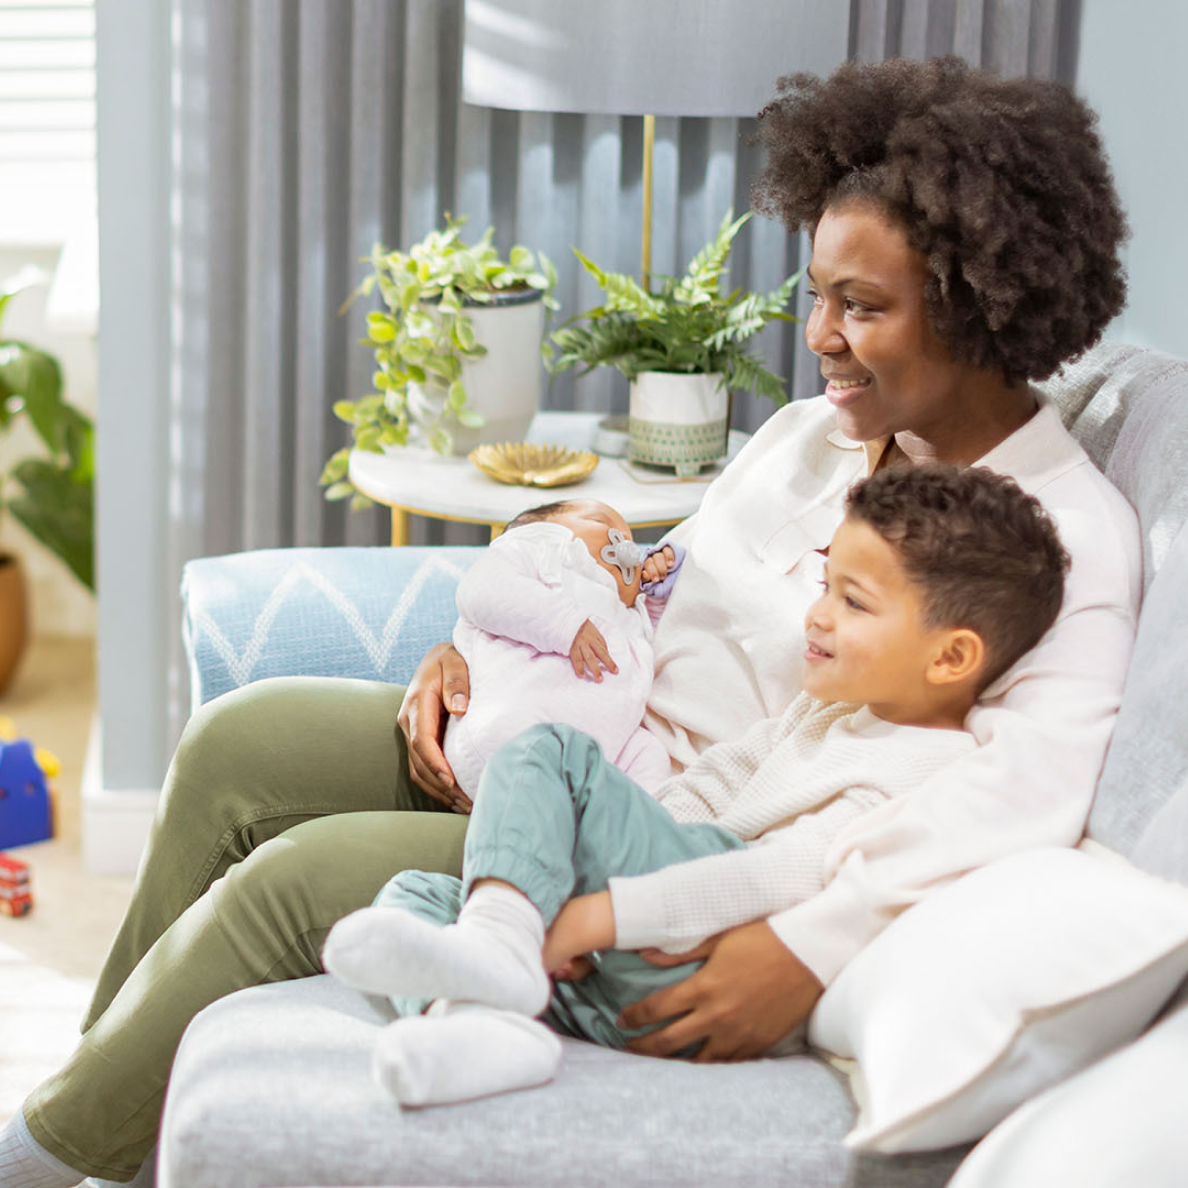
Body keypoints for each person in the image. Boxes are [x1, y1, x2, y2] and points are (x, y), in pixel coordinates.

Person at [0, 55, 1141, 1187]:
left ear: (981, 303)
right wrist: (468, 657)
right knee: (235, 742)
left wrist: (809, 947)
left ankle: (45, 1156)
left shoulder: (1063, 533)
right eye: (817, 296)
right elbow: (640, 586)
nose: (821, 338)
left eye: (864, 307)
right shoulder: (805, 438)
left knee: (295, 879)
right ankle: (96, 1143)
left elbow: (1022, 796)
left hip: (658, 828)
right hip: (566, 740)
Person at [322, 464, 1070, 1108]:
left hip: (697, 961)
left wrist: (593, 918)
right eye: (826, 586)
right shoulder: (826, 709)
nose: (816, 614)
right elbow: (713, 785)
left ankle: (504, 949)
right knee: (417, 898)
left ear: (951, 658)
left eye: (854, 602)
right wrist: (594, 859)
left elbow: (786, 876)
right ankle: (483, 1027)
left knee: (549, 751)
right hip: (633, 951)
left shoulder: (928, 767)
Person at [442, 497, 678, 803]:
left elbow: (653, 647)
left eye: (631, 540)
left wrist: (659, 594)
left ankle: (636, 825)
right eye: (602, 523)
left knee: (649, 753)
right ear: (543, 527)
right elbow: (481, 591)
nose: (626, 546)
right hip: (512, 726)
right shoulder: (538, 552)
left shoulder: (627, 614)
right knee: (518, 735)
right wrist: (566, 624)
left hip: (599, 754)